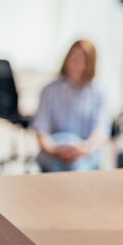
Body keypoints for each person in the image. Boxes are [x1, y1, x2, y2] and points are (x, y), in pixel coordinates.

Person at [32, 40, 110, 172]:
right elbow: (41, 129)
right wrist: (53, 151)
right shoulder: (50, 90)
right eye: (73, 58)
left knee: (76, 167)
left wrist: (83, 149)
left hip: (85, 151)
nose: (76, 64)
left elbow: (101, 133)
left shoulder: (99, 93)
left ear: (90, 64)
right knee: (55, 168)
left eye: (82, 60)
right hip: (54, 149)